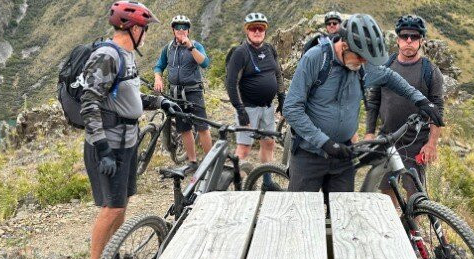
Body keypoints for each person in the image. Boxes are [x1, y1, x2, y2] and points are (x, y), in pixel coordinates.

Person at [80, 0, 180, 259]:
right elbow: (89, 103)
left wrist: (160, 102)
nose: (146, 34)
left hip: (126, 142)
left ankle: (111, 257)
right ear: (132, 28)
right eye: (145, 29)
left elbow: (129, 98)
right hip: (108, 144)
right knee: (111, 208)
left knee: (121, 204)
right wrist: (102, 150)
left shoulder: (126, 56)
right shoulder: (107, 56)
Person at [282, 13, 443, 197]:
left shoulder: (361, 65)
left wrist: (421, 100)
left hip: (344, 155)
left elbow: (389, 76)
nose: (364, 63)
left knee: (342, 216)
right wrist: (324, 142)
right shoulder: (316, 59)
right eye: (360, 57)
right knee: (302, 216)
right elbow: (292, 108)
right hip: (308, 155)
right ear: (344, 45)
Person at [365, 14, 444, 203]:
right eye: (404, 36)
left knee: (414, 193)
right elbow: (374, 101)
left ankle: (413, 231)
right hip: (387, 138)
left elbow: (437, 108)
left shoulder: (430, 71)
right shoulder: (385, 67)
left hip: (416, 141)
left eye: (414, 37)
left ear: (421, 40)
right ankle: (395, 227)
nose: (409, 41)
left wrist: (432, 144)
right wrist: (369, 133)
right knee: (386, 188)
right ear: (398, 39)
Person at [226, 12, 285, 167]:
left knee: (269, 142)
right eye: (253, 28)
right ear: (247, 30)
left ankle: (267, 181)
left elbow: (278, 74)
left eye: (260, 28)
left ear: (265, 31)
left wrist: (281, 97)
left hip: (267, 107)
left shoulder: (269, 49)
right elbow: (231, 83)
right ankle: (238, 186)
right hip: (248, 108)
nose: (257, 32)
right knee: (244, 148)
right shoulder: (240, 53)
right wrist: (240, 110)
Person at [153, 14, 212, 167]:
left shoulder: (196, 46)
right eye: (178, 27)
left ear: (188, 30)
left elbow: (204, 63)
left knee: (202, 127)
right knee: (184, 128)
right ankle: (192, 161)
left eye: (184, 27)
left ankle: (210, 163)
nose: (181, 30)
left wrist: (190, 46)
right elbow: (159, 66)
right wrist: (158, 78)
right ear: (173, 30)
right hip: (176, 94)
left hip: (194, 92)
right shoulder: (168, 48)